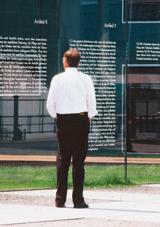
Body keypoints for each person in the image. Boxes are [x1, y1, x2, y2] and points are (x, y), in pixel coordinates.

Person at [46, 48, 97, 208]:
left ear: (65, 61)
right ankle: (78, 200)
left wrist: (57, 115)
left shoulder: (57, 79)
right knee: (78, 161)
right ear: (78, 62)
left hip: (63, 120)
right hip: (81, 119)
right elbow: (92, 104)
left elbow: (50, 104)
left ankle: (60, 199)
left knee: (63, 159)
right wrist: (88, 116)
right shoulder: (86, 79)